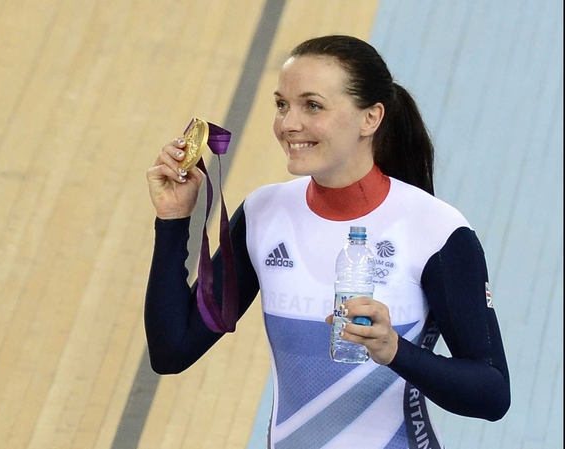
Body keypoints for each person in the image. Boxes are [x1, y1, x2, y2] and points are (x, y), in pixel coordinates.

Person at [144, 35, 510, 448]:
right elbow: (172, 350)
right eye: (282, 104)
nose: (288, 124)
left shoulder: (437, 231)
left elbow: (492, 393)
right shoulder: (265, 213)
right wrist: (173, 220)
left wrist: (395, 351)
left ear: (370, 118)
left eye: (312, 105)